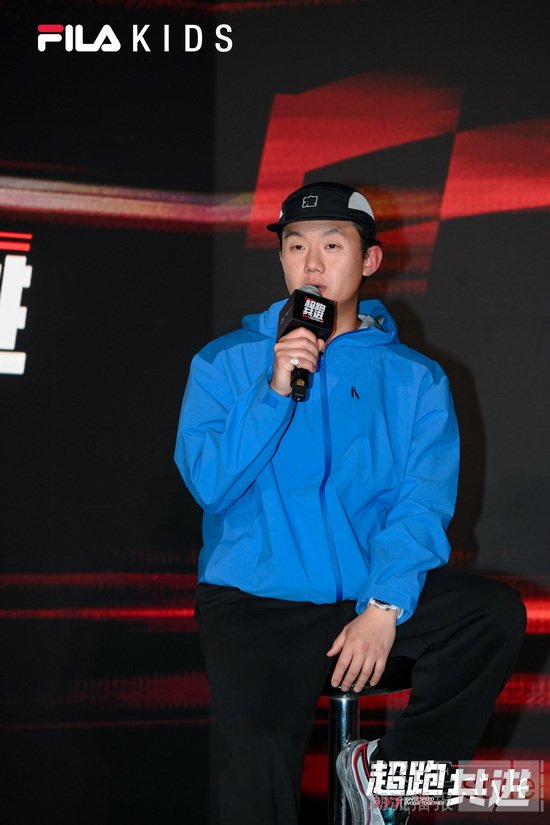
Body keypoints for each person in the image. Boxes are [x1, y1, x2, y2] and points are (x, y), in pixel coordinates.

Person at [174, 181, 526, 825]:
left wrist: (384, 606)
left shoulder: (415, 378)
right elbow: (211, 485)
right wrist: (273, 390)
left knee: (491, 616)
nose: (311, 263)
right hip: (255, 603)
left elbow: (421, 503)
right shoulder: (226, 363)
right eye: (295, 246)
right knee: (257, 766)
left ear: (369, 260)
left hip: (366, 601)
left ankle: (391, 784)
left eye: (332, 245)